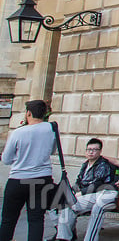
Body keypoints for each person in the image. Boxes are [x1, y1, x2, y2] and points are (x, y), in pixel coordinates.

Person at [52, 139, 119, 241]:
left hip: (117, 196)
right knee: (70, 203)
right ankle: (64, 238)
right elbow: (115, 161)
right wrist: (99, 155)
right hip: (104, 192)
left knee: (98, 208)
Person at [0, 99, 56, 241]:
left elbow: (6, 159)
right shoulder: (52, 129)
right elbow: (52, 151)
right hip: (43, 179)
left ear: (28, 113)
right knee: (36, 219)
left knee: (9, 219)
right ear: (44, 113)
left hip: (18, 179)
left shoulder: (18, 132)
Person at [50, 138, 115, 241]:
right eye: (89, 149)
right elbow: (79, 181)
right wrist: (71, 191)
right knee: (53, 205)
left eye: (94, 150)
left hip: (97, 195)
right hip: (82, 194)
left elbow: (98, 184)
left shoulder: (103, 165)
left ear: (100, 151)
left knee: (68, 205)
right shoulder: (85, 164)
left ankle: (64, 236)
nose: (91, 152)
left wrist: (81, 193)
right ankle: (63, 232)